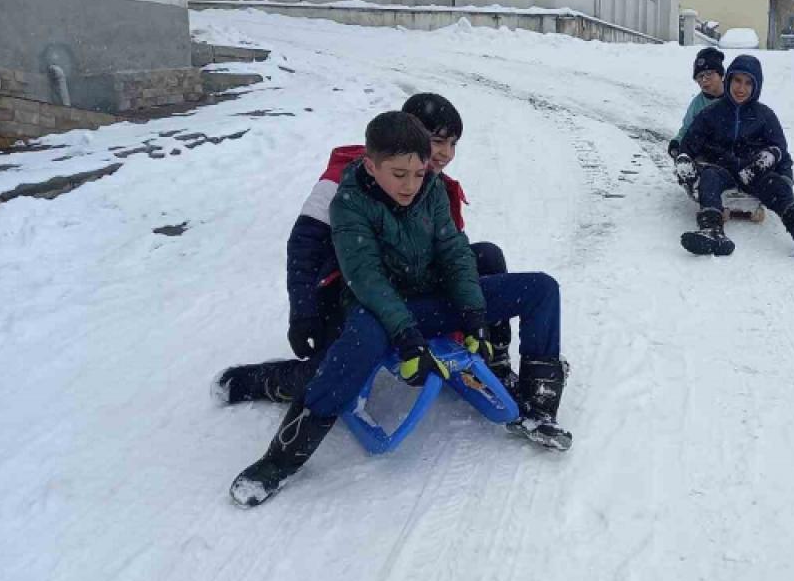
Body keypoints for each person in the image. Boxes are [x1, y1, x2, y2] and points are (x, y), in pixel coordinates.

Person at [230, 111, 572, 507]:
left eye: (418, 172)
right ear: (371, 166)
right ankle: (282, 458)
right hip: (376, 306)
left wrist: (475, 314)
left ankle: (539, 405)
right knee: (355, 349)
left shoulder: (431, 189)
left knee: (542, 289)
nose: (411, 184)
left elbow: (454, 253)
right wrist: (406, 334)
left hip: (430, 297)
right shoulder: (347, 202)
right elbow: (366, 277)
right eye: (399, 174)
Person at [213, 94, 517, 408]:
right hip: (355, 290)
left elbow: (451, 253)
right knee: (334, 374)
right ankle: (264, 381)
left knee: (487, 255)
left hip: (407, 286)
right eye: (436, 141)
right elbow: (305, 246)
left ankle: (495, 365)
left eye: (452, 144)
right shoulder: (346, 180)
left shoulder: (429, 184)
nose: (445, 154)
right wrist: (303, 310)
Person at [674, 54, 794, 258]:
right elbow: (691, 141)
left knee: (776, 185)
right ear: (728, 79)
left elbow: (780, 149)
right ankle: (711, 230)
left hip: (752, 171)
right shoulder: (711, 113)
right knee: (709, 180)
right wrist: (684, 157)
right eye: (737, 80)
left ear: (757, 86)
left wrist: (785, 177)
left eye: (748, 83)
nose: (741, 88)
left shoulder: (765, 115)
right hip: (721, 169)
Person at [667, 47, 727, 198]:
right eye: (699, 77)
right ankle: (693, 178)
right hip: (707, 151)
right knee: (695, 154)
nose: (704, 80)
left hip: (731, 148)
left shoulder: (734, 96)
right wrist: (676, 142)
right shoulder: (697, 104)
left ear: (721, 74)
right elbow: (687, 128)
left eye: (708, 74)